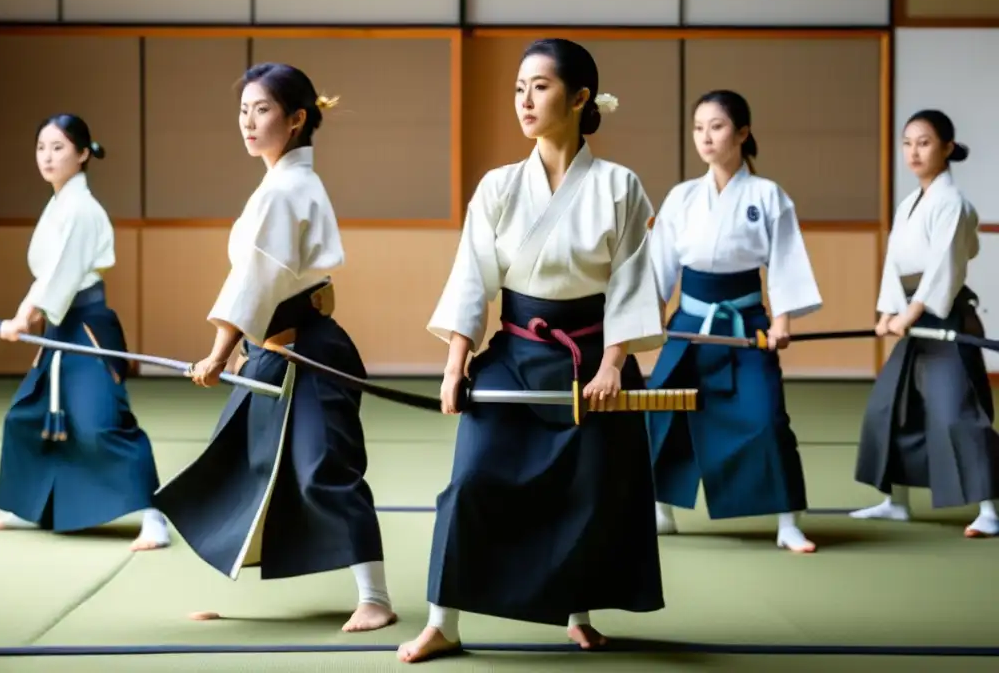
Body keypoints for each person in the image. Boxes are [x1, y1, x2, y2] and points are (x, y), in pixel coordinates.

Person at [397, 38, 665, 664]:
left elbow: (630, 282)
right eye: (519, 87)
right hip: (516, 355)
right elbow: (472, 277)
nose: (524, 99)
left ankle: (578, 610)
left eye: (539, 86)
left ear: (578, 98)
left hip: (593, 358)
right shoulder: (498, 186)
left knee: (590, 491)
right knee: (469, 482)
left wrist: (612, 367)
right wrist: (455, 362)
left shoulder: (620, 186)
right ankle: (444, 621)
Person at [151, 63, 395, 632]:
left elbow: (257, 279)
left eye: (262, 109)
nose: (249, 122)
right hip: (280, 347)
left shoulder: (287, 188)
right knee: (241, 459)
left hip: (307, 350)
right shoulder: (282, 183)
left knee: (322, 469)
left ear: (297, 119)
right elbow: (270, 279)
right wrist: (242, 348)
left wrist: (217, 352)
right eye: (243, 110)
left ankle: (376, 598)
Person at [0, 114, 168, 551]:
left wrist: (24, 318)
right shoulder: (61, 203)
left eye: (58, 147)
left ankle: (154, 516)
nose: (47, 156)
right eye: (41, 147)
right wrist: (24, 315)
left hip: (86, 328)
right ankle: (31, 507)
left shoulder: (82, 208)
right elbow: (47, 275)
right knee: (27, 416)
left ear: (83, 154)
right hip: (60, 326)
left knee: (99, 425)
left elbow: (61, 277)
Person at [645, 90, 822, 554]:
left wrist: (782, 319)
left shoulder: (767, 195)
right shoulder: (682, 197)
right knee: (661, 409)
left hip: (746, 325)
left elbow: (785, 262)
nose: (706, 136)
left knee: (766, 418)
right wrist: (652, 314)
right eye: (699, 127)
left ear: (742, 132)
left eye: (717, 126)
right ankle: (660, 512)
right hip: (689, 324)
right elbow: (661, 267)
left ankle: (788, 522)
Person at [850, 109, 999, 538]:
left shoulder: (952, 202)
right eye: (908, 142)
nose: (913, 151)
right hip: (914, 320)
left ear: (947, 148)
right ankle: (895, 503)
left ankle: (990, 508)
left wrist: (907, 314)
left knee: (957, 414)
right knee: (889, 408)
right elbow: (896, 264)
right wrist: (886, 313)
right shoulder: (909, 203)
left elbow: (945, 268)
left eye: (924, 142)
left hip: (945, 319)